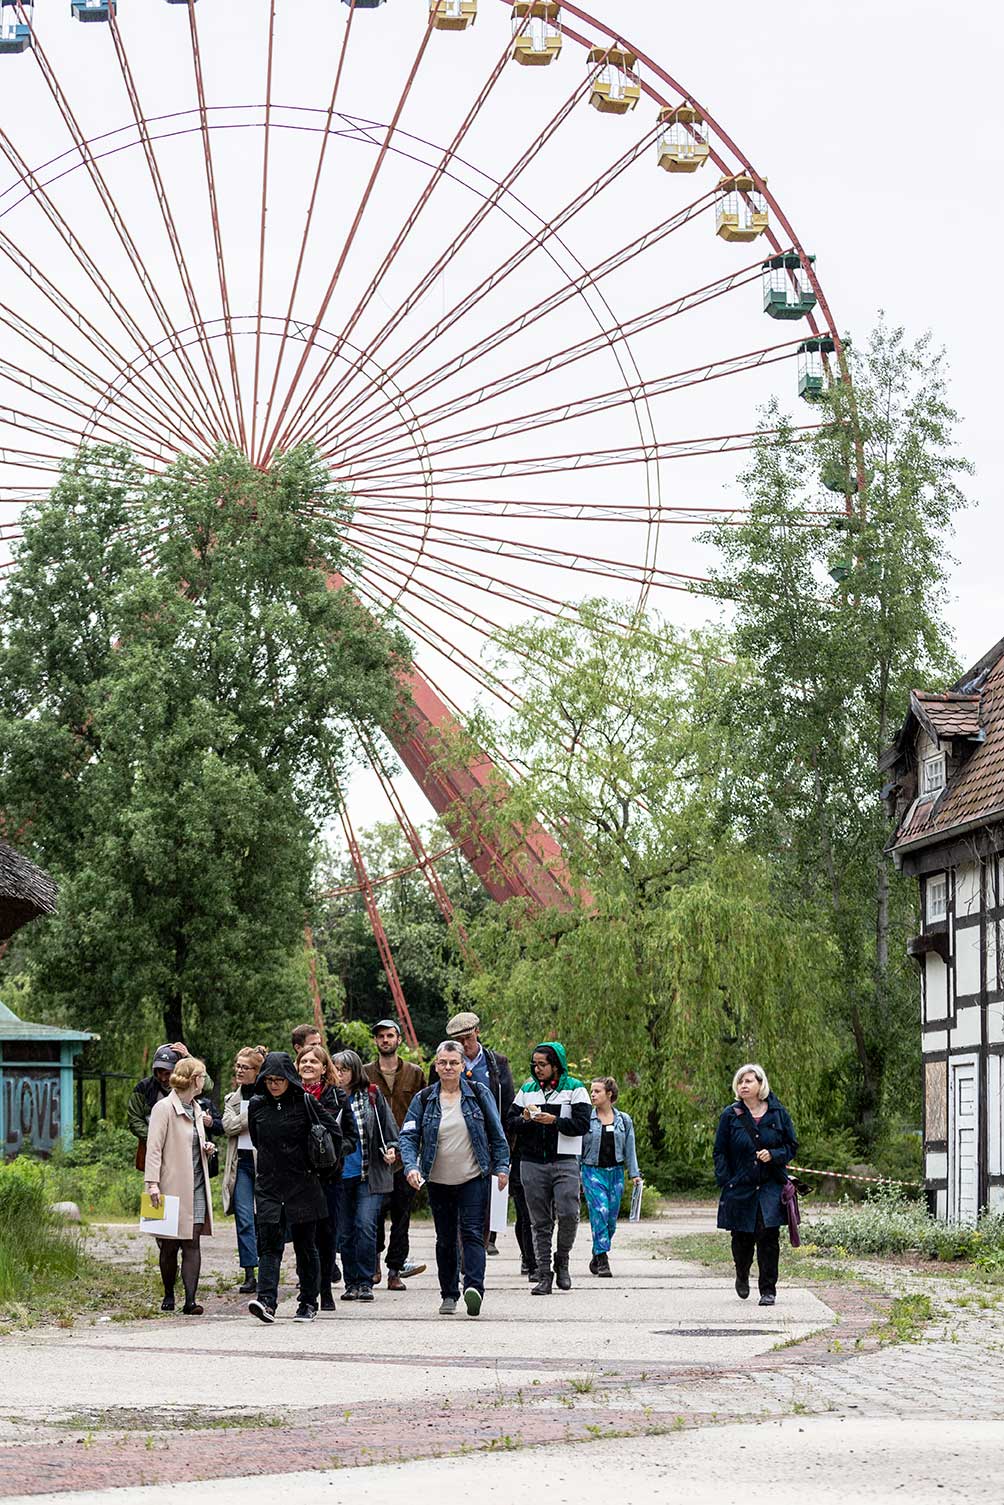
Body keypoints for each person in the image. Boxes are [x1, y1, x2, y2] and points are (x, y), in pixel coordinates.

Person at [400, 1040, 509, 1317]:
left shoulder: (478, 1093)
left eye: (454, 1062)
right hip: (437, 1180)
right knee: (445, 1238)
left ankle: (474, 1288)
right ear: (436, 1066)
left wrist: (502, 1167)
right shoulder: (423, 1099)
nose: (448, 1067)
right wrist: (411, 1167)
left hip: (473, 1177)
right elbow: (409, 1136)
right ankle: (448, 1294)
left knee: (473, 1233)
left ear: (463, 1066)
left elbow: (497, 1134)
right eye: (443, 1063)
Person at [247, 1051, 341, 1324]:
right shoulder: (257, 1105)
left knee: (305, 1245)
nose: (274, 1084)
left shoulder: (305, 1102)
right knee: (269, 1245)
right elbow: (256, 1139)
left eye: (279, 1079)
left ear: (289, 1078)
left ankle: (308, 1302)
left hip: (303, 1183)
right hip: (269, 1184)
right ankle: (266, 1301)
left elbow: (333, 1133)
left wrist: (320, 1165)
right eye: (269, 1079)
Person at [507, 1041, 591, 1295]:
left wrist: (554, 1121)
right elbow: (509, 1122)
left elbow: (582, 1124)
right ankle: (544, 1274)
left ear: (556, 1065)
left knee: (568, 1213)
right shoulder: (527, 1090)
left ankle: (562, 1258)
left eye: (542, 1064)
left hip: (564, 1160)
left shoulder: (575, 1089)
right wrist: (525, 1119)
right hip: (531, 1162)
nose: (537, 1068)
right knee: (539, 1222)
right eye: (535, 1064)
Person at [713, 1062, 797, 1308]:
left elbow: (791, 1146)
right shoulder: (731, 1115)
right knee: (741, 1238)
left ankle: (768, 1289)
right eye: (740, 1081)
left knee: (768, 1237)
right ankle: (742, 1273)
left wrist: (774, 1155)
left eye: (749, 1081)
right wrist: (726, 1180)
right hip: (740, 1186)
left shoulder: (778, 1113)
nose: (744, 1085)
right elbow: (720, 1151)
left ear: (761, 1084)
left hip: (770, 1185)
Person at [439, 1011, 515, 1258]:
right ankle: (463, 1254)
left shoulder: (497, 1063)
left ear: (477, 1033)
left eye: (468, 1038)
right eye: (458, 1040)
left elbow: (508, 1104)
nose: (464, 1044)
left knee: (483, 1205)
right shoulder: (443, 1066)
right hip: (455, 1142)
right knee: (458, 1203)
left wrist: (505, 1145)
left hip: (488, 1142)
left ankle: (477, 1249)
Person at [144, 1056, 216, 1315]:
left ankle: (191, 1300)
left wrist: (205, 1147)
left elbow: (192, 1141)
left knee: (192, 1242)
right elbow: (154, 1149)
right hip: (169, 1186)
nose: (205, 1080)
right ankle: (168, 1293)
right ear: (195, 1080)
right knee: (169, 1245)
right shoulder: (163, 1108)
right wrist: (152, 1184)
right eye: (202, 1076)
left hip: (195, 1184)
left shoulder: (197, 1108)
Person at [332, 1048, 400, 1303]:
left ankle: (365, 1279)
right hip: (339, 1175)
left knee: (365, 1226)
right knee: (345, 1232)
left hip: (367, 1173)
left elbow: (390, 1130)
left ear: (354, 1072)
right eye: (336, 1069)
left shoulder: (370, 1095)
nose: (339, 1074)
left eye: (344, 1069)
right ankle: (351, 1282)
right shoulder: (331, 1097)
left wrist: (391, 1149)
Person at [363, 1020, 427, 1290]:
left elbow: (425, 1108)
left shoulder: (414, 1073)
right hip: (375, 1155)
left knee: (402, 1217)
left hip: (406, 1156)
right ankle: (374, 1265)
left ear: (399, 1039)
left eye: (390, 1035)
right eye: (381, 1036)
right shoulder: (365, 1074)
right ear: (376, 1041)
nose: (385, 1040)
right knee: (373, 1215)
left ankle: (394, 1270)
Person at [298, 1043, 357, 1310]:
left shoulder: (338, 1098)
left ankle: (325, 1290)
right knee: (302, 1236)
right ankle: (308, 1288)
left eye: (313, 1061)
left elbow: (351, 1138)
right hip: (299, 1177)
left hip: (330, 1176)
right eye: (303, 1061)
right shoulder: (291, 1096)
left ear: (324, 1068)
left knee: (326, 1233)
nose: (308, 1065)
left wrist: (334, 1152)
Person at [580, 1076, 642, 1278]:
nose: (593, 1094)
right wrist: (575, 1173)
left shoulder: (624, 1119)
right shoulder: (586, 1119)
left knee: (611, 1221)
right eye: (592, 1091)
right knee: (600, 1211)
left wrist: (634, 1174)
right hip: (592, 1171)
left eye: (597, 1091)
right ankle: (604, 1260)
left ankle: (597, 1253)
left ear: (609, 1094)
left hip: (615, 1173)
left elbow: (629, 1148)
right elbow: (578, 1149)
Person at [128, 1042, 220, 1172]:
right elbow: (134, 1120)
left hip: (186, 1149)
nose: (163, 1078)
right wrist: (156, 1139)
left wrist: (188, 1058)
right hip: (155, 1149)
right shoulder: (143, 1088)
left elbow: (207, 1085)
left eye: (167, 1073)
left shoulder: (188, 1085)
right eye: (159, 1072)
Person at [221, 1045, 267, 1294]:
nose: (239, 1071)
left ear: (257, 1071)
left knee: (264, 1219)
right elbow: (228, 1127)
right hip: (240, 1165)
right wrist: (251, 1116)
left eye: (245, 1067)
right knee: (244, 1219)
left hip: (265, 1165)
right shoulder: (232, 1099)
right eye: (237, 1066)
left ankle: (268, 1269)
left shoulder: (270, 1097)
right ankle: (250, 1273)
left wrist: (245, 1119)